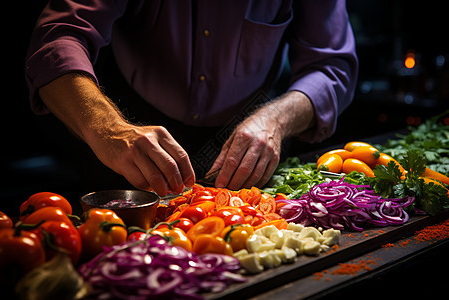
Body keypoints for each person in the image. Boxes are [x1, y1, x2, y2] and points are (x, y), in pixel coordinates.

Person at [26, 0, 358, 196]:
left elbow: (332, 65)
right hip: (128, 134)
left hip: (256, 139)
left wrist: (277, 119)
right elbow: (56, 40)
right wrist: (110, 131)